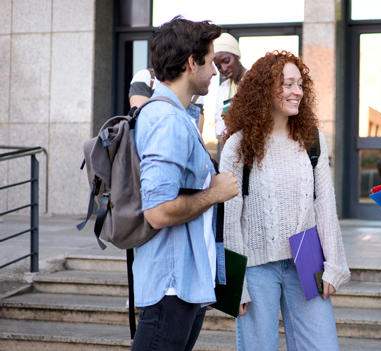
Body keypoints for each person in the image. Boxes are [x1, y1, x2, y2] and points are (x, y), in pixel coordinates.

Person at [220, 51, 350, 351]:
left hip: (305, 260)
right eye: (287, 84)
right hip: (255, 268)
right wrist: (233, 285)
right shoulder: (238, 145)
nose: (297, 92)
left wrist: (334, 264)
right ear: (265, 88)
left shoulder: (312, 139)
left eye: (300, 85)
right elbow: (229, 217)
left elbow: (325, 205)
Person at [131, 17, 240, 350]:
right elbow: (158, 212)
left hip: (184, 285)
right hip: (170, 287)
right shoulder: (166, 120)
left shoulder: (180, 116)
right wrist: (214, 193)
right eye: (209, 61)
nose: (215, 71)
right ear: (192, 64)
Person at [129, 68, 206, 132]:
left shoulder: (195, 93)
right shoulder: (147, 77)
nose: (214, 71)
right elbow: (142, 123)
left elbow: (195, 134)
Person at [213, 33, 246, 145]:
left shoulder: (257, 81)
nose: (224, 69)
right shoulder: (222, 90)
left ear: (237, 55)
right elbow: (218, 132)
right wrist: (227, 119)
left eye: (226, 61)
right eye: (218, 66)